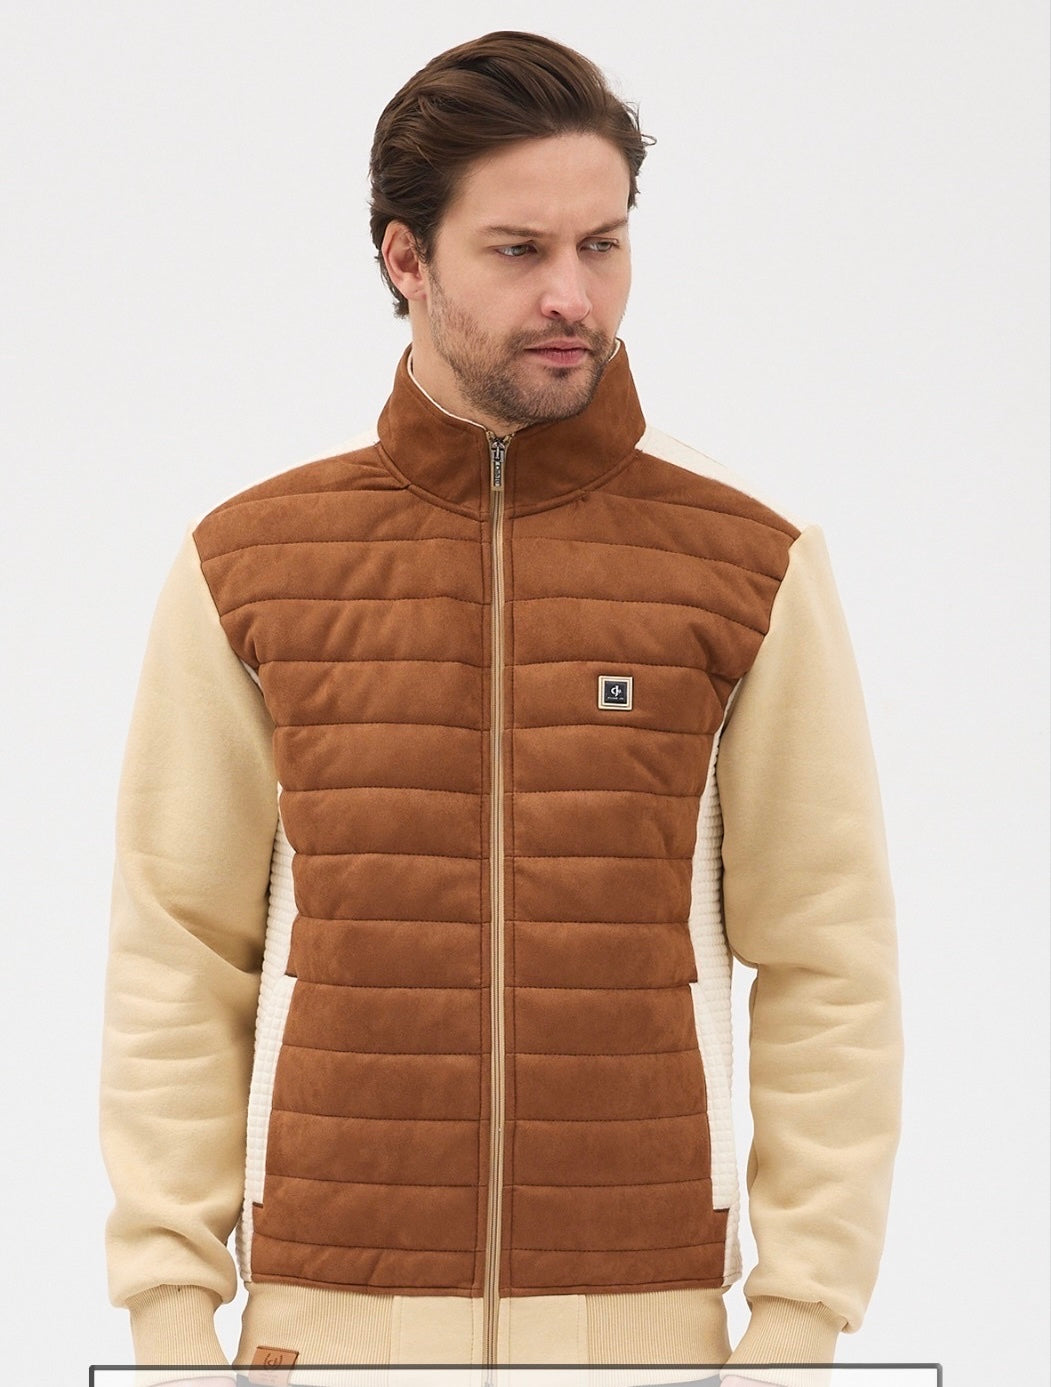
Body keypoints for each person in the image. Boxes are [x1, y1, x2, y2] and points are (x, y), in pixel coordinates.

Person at [100, 30, 903, 1387]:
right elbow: (177, 952)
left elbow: (830, 960)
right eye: (519, 250)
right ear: (405, 258)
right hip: (324, 1342)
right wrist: (173, 1323)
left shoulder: (749, 561)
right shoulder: (250, 564)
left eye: (604, 244)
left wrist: (797, 1326)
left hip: (648, 1348)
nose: (572, 295)